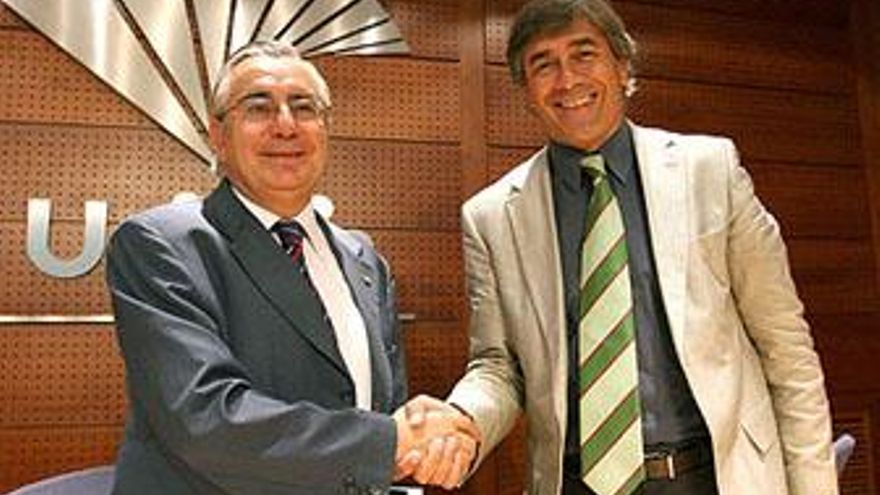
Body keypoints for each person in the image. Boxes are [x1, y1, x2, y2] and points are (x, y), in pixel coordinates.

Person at [427, 1, 839, 494]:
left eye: (584, 54)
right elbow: (498, 367)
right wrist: (462, 420)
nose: (567, 80)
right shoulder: (491, 218)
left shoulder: (710, 170)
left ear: (622, 66)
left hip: (713, 477)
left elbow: (786, 349)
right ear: (526, 91)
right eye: (543, 65)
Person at [105, 41, 475, 495]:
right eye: (258, 108)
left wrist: (422, 442)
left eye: (304, 107)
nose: (285, 126)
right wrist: (390, 444)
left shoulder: (364, 259)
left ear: (325, 129)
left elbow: (382, 410)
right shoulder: (160, 244)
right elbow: (204, 417)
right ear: (218, 136)